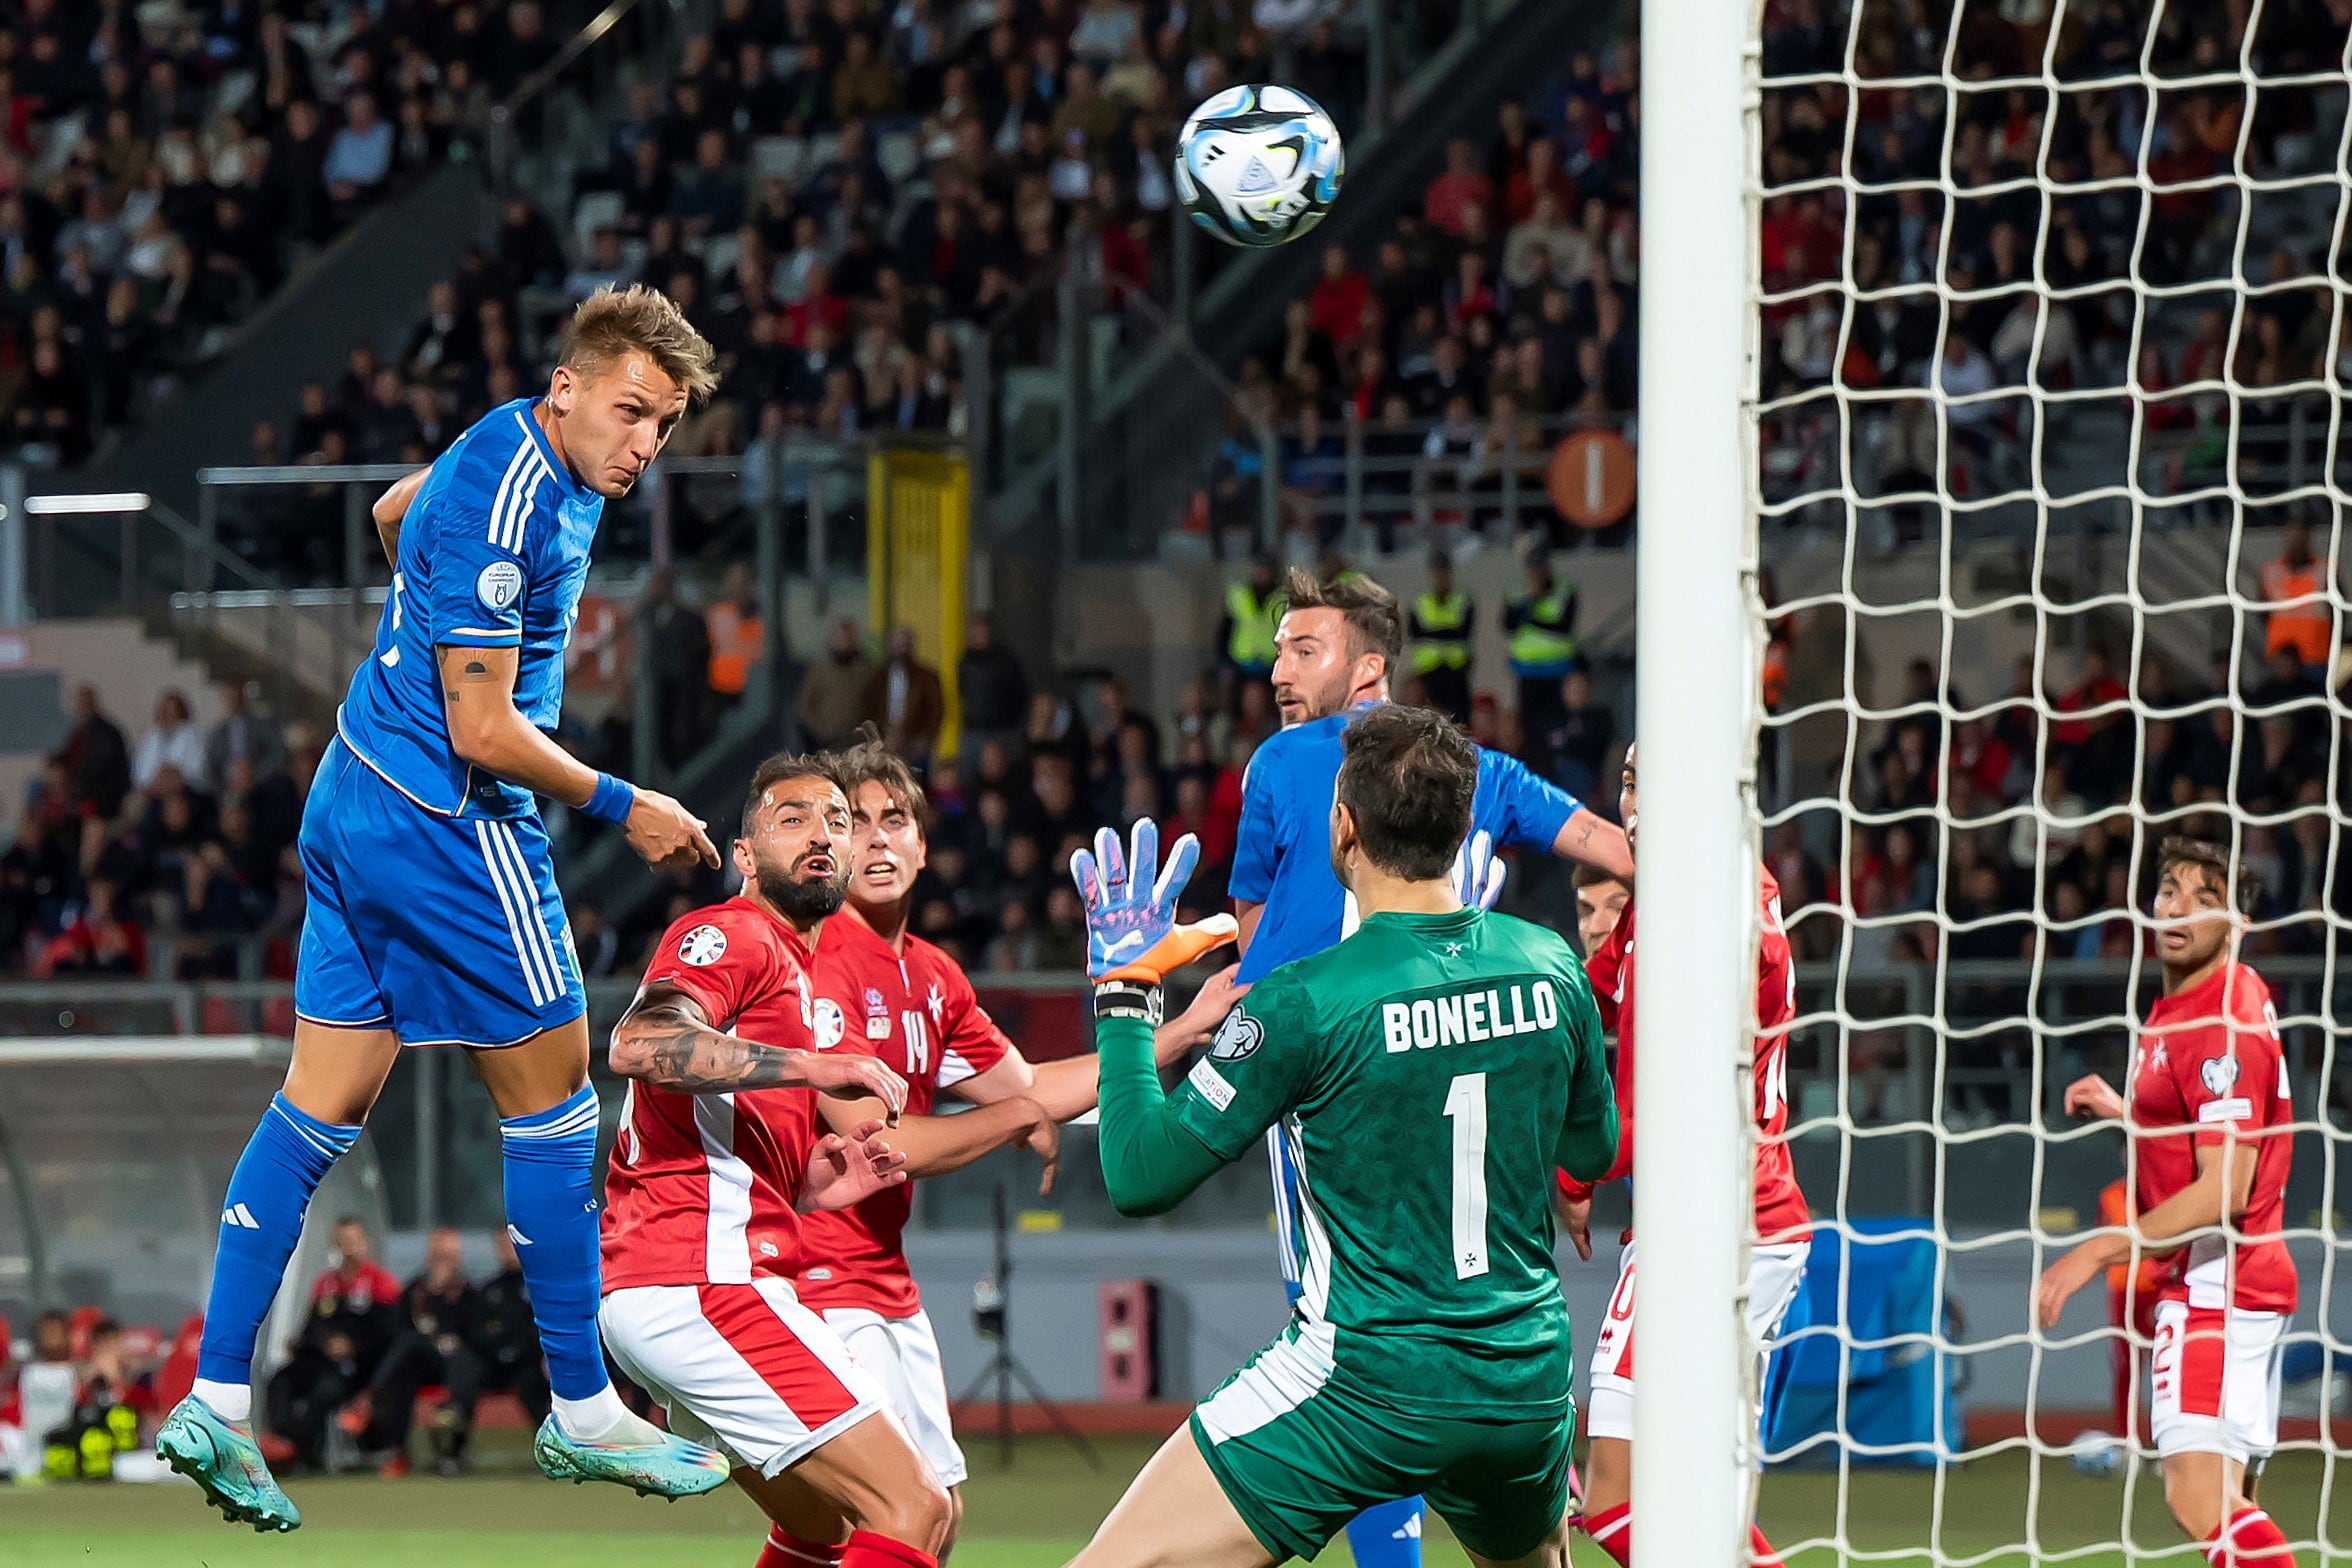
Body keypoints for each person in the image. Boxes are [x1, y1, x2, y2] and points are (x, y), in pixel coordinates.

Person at [160, 286, 736, 1533]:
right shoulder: (516, 501)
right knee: (559, 1092)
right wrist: (622, 799)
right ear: (570, 386)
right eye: (632, 410)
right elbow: (480, 724)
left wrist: (429, 620)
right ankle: (583, 1405)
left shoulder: (509, 440)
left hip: (353, 787)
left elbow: (388, 513)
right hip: (446, 816)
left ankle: (212, 1391)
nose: (645, 441)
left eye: (668, 423)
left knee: (325, 1100)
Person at [1065, 706, 1618, 1568]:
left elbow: (1139, 1173)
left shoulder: (1306, 999)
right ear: (1463, 825)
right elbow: (1589, 1153)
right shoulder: (1550, 962)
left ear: (1345, 825)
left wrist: (1126, 998)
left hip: (1365, 1382)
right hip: (1522, 1381)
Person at [1226, 566, 1629, 1568]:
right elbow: (1609, 846)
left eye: (1301, 647)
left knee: (1353, 1333)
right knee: (1475, 1315)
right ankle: (1527, 1495)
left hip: (1332, 1086)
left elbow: (1250, 941)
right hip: (1471, 1068)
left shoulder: (1281, 766)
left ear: (1367, 668)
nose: (1278, 667)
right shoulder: (1474, 770)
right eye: (1276, 647)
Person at [768, 735, 1245, 1566]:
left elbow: (1033, 1083)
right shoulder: (821, 961)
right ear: (833, 847)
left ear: (924, 843)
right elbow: (880, 1146)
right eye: (858, 825)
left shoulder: (932, 975)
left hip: (883, 1280)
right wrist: (1017, 1114)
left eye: (895, 821)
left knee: (923, 1515)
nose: (878, 839)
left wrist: (1171, 1032)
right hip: (814, 1279)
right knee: (901, 1514)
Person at [595, 751, 957, 1568]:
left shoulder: (790, 967)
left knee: (821, 1530)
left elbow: (702, 1135)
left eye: (837, 820)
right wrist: (814, 1066)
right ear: (746, 855)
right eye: (792, 820)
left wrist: (805, 1187)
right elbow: (641, 1041)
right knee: (915, 1508)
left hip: (685, 1280)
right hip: (702, 1283)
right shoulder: (732, 931)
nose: (823, 834)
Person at [1557, 743, 1810, 1568]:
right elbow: (1574, 997)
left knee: (1616, 1499)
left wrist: (1569, 1170)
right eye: (1628, 780)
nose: (1634, 802)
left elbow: (1669, 1116)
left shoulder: (1725, 915)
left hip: (1720, 1225)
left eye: (1654, 782)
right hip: (1716, 1223)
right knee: (1688, 1498)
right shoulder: (1661, 904)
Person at [2037, 838, 2299, 1567]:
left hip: (2219, 1280)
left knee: (2195, 1498)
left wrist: (2096, 1247)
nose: (2177, 905)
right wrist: (2132, 1112)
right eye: (2168, 889)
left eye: (2202, 894)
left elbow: (2225, 1190)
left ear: (2236, 922)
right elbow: (2204, 1122)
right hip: (2237, 1278)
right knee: (2228, 1503)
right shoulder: (2192, 1005)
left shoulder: (2215, 1019)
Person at [263, 1218, 401, 1473]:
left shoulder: (380, 1282)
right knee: (280, 1380)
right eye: (342, 1242)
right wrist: (303, 1343)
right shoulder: (326, 1284)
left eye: (352, 1241)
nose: (347, 1248)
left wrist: (353, 1346)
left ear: (364, 1243)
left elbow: (388, 1334)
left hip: (359, 1367)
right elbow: (311, 1327)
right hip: (320, 1359)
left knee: (326, 1390)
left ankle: (303, 1450)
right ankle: (280, 1441)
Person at [361, 1227, 479, 1476]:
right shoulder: (414, 1291)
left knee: (465, 1361)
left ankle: (373, 1397)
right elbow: (397, 1330)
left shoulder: (469, 1292)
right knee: (406, 1361)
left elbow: (475, 1333)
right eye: (438, 1256)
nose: (443, 1263)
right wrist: (433, 1294)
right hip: (423, 1361)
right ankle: (396, 1450)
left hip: (457, 1364)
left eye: (448, 1257)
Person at [1503, 553, 1577, 739]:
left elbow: (1563, 627)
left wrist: (1531, 621)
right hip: (1527, 671)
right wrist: (1530, 600)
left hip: (1556, 670)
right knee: (1530, 729)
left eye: (1539, 569)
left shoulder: (1564, 591)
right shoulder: (1517, 593)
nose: (1536, 574)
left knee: (1556, 726)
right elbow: (1509, 625)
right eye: (1532, 570)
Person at [862, 627, 945, 767]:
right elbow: (867, 709)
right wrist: (878, 736)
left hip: (916, 744)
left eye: (905, 644)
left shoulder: (927, 678)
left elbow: (936, 710)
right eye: (897, 643)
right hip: (883, 742)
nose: (901, 648)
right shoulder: (876, 678)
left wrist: (926, 738)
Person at [2258, 516, 2332, 672]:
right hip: (2280, 660)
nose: (2295, 540)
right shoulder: (2271, 572)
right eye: (2291, 534)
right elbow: (2262, 613)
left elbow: (2337, 613)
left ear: (2308, 537)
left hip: (2316, 656)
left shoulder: (2325, 571)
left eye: (2299, 534)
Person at [1407, 551, 1472, 722]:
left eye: (1443, 571)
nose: (1440, 577)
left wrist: (1431, 632)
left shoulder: (1463, 600)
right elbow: (1414, 634)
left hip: (1456, 672)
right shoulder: (1420, 603)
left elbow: (1463, 633)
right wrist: (1448, 631)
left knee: (1459, 724)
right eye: (1437, 572)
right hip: (1429, 673)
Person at [707, 562, 767, 710]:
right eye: (735, 583)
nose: (740, 589)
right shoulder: (715, 615)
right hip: (719, 692)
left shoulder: (764, 617)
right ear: (728, 585)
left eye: (744, 583)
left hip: (755, 693)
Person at [133, 690, 212, 794]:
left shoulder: (191, 734)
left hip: (184, 791)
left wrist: (172, 777)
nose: (168, 715)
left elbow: (197, 769)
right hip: (152, 792)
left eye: (172, 710)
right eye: (165, 710)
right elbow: (141, 772)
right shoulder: (152, 736)